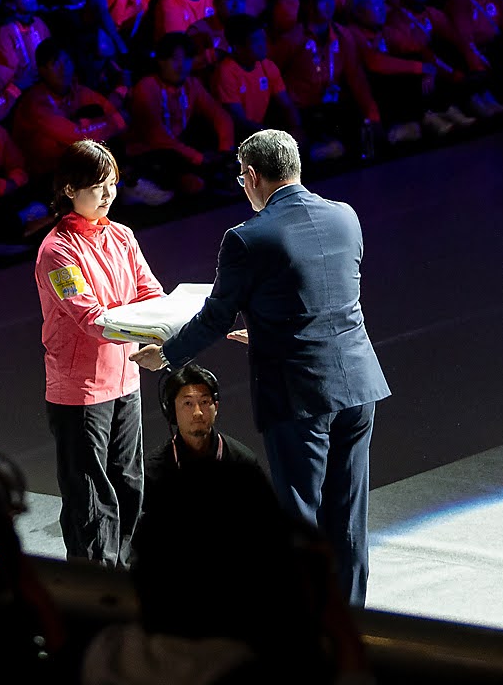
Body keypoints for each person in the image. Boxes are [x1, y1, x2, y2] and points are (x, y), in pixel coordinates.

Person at [139, 128, 390, 603]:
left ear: (252, 176)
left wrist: (167, 354)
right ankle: (354, 623)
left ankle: (306, 626)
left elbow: (217, 316)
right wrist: (272, 329)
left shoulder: (246, 238)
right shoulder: (345, 216)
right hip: (358, 384)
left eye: (241, 178)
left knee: (300, 519)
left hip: (300, 394)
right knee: (348, 519)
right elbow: (328, 293)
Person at [35, 139, 164, 566]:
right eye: (97, 186)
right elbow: (90, 317)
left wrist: (167, 325)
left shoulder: (122, 236)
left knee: (129, 485)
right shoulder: (57, 250)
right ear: (70, 189)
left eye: (112, 184)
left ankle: (125, 577)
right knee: (91, 498)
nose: (108, 194)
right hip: (82, 391)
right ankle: (93, 585)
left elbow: (150, 291)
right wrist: (147, 327)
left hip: (126, 379)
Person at [145, 363, 261, 491]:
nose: (198, 412)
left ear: (216, 407)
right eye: (188, 403)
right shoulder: (152, 471)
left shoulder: (244, 463)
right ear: (172, 410)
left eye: (204, 402)